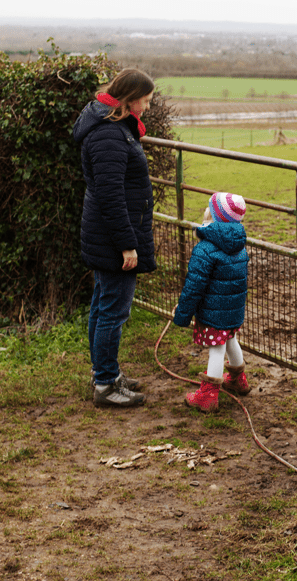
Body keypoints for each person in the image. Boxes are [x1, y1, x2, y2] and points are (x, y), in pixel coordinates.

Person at [73, 68, 156, 407]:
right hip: (113, 237)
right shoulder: (109, 135)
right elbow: (111, 194)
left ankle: (104, 372)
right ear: (130, 99)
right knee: (112, 310)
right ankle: (106, 385)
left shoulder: (111, 126)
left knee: (102, 304)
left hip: (103, 232)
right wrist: (127, 244)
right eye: (146, 101)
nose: (148, 108)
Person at [173, 193, 251, 412]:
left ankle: (207, 397)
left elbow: (194, 286)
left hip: (213, 312)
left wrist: (182, 313)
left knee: (216, 348)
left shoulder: (205, 249)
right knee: (230, 339)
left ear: (214, 216)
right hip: (231, 311)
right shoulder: (239, 245)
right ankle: (238, 379)